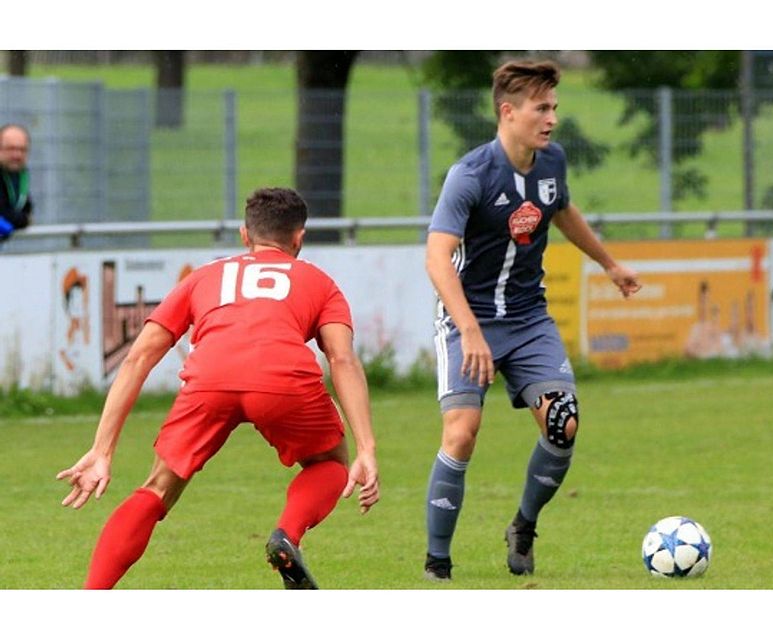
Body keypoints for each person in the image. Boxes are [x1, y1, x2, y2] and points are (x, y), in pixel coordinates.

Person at [57, 187, 380, 589]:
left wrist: (102, 450)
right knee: (329, 464)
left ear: (245, 235)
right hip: (282, 380)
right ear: (299, 238)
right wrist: (366, 448)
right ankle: (287, 535)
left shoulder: (205, 276)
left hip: (210, 379)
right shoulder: (320, 282)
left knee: (157, 488)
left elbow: (139, 356)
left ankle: (87, 601)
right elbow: (342, 358)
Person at [423, 60, 641, 580]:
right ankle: (438, 565)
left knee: (563, 423)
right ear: (508, 112)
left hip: (528, 321)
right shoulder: (470, 175)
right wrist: (470, 330)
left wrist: (608, 264)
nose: (552, 119)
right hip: (466, 322)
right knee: (462, 432)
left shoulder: (552, 162)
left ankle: (523, 525)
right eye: (542, 108)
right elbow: (436, 259)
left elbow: (562, 210)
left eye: (554, 108)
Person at [0, 124, 33, 240]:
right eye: (11, 148)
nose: (17, 155)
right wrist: (22, 219)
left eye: (22, 149)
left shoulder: (20, 175)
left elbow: (26, 208)